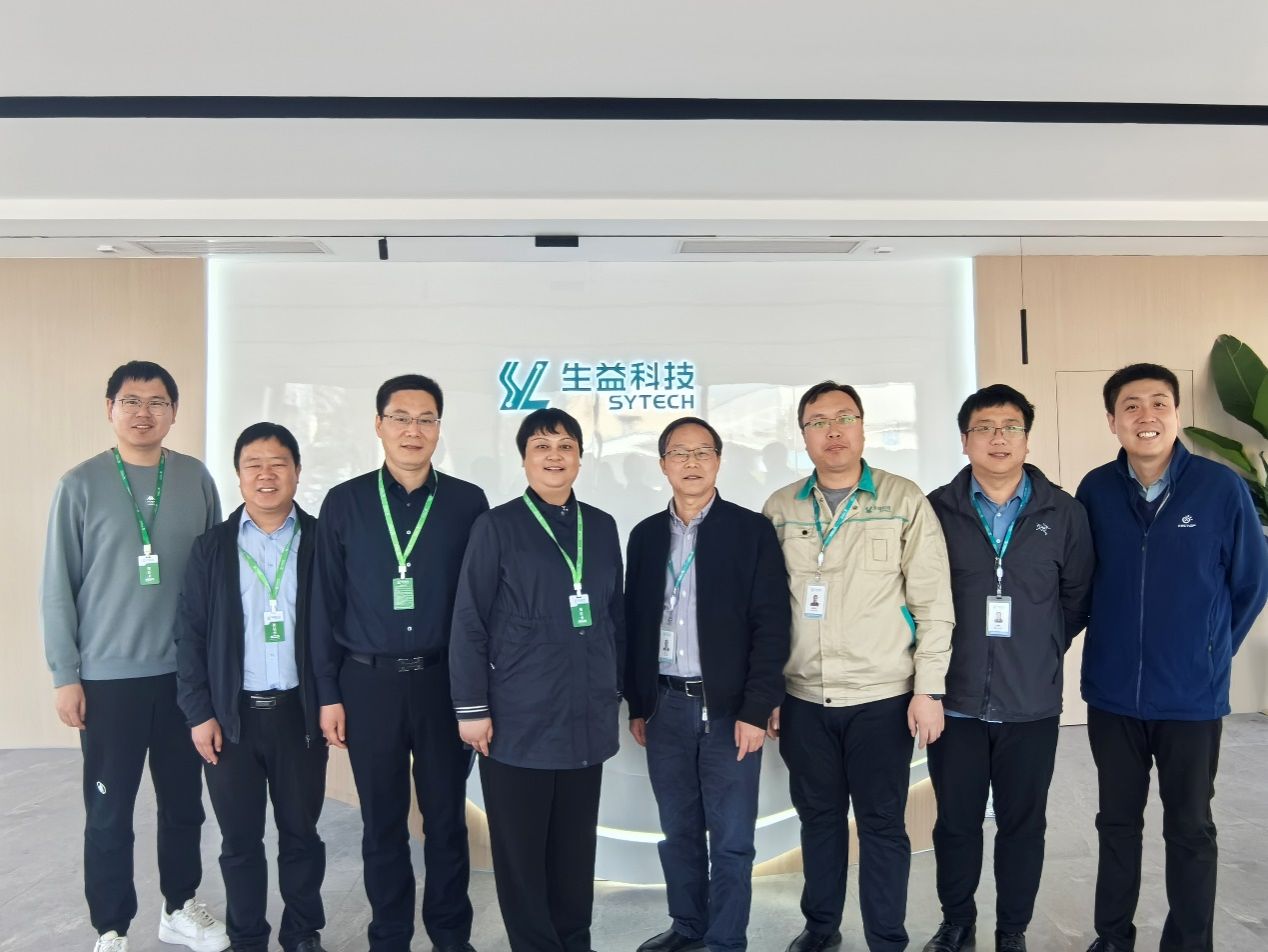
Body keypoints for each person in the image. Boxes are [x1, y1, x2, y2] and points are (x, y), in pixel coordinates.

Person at [1076, 363, 1268, 952]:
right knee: (1117, 823)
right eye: (1131, 405)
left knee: (1189, 827)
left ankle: (1188, 943)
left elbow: (1251, 582)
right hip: (1113, 694)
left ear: (1176, 414)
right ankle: (1113, 937)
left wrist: (1212, 651)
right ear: (1112, 421)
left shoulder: (1220, 488)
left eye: (1159, 403)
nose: (1146, 416)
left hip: (1191, 697)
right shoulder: (1095, 490)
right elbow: (1081, 583)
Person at [762, 380, 954, 952]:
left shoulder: (903, 500)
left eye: (845, 418)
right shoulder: (780, 509)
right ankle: (821, 928)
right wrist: (766, 692)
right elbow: (763, 613)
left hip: (882, 698)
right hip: (803, 698)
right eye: (818, 421)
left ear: (864, 428)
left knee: (882, 825)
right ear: (803, 436)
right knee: (818, 821)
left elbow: (933, 603)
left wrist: (929, 690)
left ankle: (886, 939)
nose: (834, 431)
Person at [41, 360, 227, 952]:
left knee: (184, 805)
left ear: (174, 412)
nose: (143, 413)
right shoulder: (80, 485)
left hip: (183, 679)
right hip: (108, 680)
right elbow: (57, 587)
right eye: (130, 401)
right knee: (109, 811)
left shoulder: (195, 478)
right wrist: (65, 674)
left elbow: (217, 580)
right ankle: (112, 927)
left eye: (157, 402)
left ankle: (179, 907)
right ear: (110, 409)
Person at [310, 374, 489, 952]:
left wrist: (479, 695)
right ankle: (388, 937)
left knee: (446, 822)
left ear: (439, 427)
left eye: (426, 419)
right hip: (368, 685)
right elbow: (324, 604)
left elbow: (481, 605)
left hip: (443, 683)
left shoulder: (467, 503)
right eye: (401, 417)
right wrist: (328, 693)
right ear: (379, 424)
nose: (414, 430)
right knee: (382, 824)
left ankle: (450, 937)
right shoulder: (345, 502)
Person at [924, 385, 1094, 952]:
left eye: (1010, 427)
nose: (998, 438)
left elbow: (1076, 599)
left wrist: (1039, 649)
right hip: (956, 701)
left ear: (1026, 437)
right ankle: (957, 922)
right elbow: (917, 598)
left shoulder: (1064, 513)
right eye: (984, 427)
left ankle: (1011, 929)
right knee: (956, 822)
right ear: (964, 439)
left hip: (1031, 702)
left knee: (1023, 824)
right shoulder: (936, 511)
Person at [450, 408, 625, 952]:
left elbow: (614, 616)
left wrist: (617, 689)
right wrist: (471, 707)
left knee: (575, 849)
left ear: (580, 458)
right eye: (542, 446)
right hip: (516, 718)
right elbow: (469, 620)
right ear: (524, 459)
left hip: (585, 715)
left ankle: (575, 941)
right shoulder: (497, 527)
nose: (555, 456)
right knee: (521, 855)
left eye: (566, 445)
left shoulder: (601, 526)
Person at [625, 416, 790, 952]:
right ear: (663, 465)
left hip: (729, 710)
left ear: (719, 461)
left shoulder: (750, 531)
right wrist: (638, 703)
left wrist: (757, 707)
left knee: (733, 839)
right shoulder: (645, 536)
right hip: (665, 706)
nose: (691, 463)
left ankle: (725, 940)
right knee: (678, 831)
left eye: (702, 452)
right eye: (679, 452)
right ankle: (688, 926)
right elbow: (634, 623)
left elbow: (771, 625)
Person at [176, 423, 328, 952]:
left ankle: (303, 933)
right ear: (238, 476)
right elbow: (190, 636)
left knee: (301, 835)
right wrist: (199, 713)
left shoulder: (321, 542)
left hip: (298, 715)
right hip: (230, 718)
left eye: (278, 463)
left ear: (297, 472)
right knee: (239, 841)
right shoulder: (211, 548)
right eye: (253, 465)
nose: (267, 474)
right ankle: (247, 938)